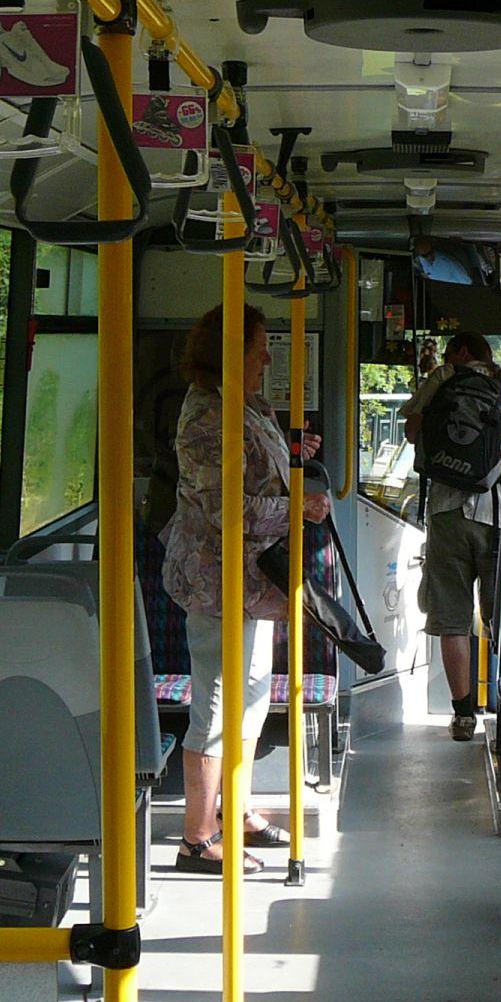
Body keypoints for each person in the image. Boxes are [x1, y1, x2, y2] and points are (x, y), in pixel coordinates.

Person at [162, 302, 326, 874]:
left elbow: (257, 465)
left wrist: (293, 459)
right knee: (216, 703)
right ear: (232, 353)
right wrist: (296, 508)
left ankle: (236, 808)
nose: (268, 360)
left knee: (251, 698)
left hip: (250, 581)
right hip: (216, 581)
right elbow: (225, 507)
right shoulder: (208, 416)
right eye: (259, 350)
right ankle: (196, 837)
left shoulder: (244, 403)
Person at [402, 331, 501, 740]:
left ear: (461, 352)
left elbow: (411, 430)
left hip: (446, 512)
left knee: (452, 619)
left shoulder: (444, 378)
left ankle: (463, 715)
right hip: (494, 513)